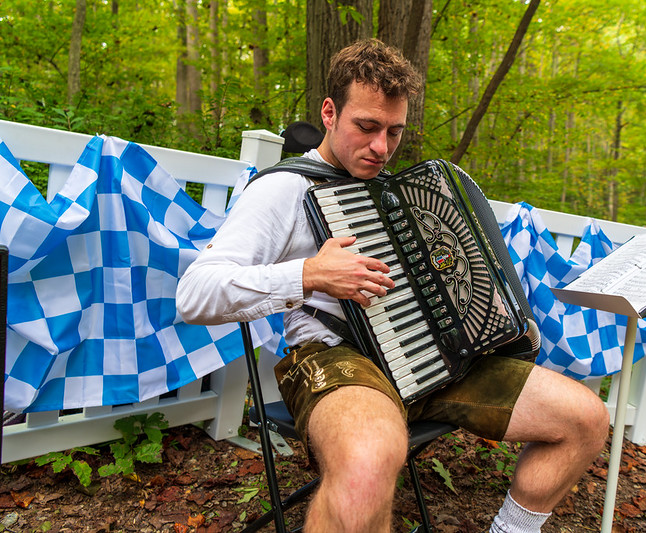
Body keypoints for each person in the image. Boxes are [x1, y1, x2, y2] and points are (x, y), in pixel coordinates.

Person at [177, 38, 609, 533]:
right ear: (329, 112)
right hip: (337, 360)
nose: (381, 147)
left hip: (438, 359)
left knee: (585, 419)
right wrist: (309, 274)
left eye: (394, 132)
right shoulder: (283, 189)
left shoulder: (395, 194)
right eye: (366, 127)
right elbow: (194, 294)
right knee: (364, 472)